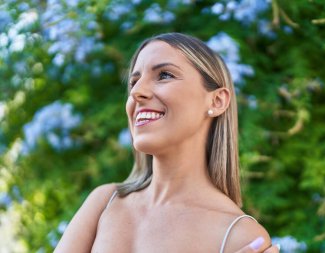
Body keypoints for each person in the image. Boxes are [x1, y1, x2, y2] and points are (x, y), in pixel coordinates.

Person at [54, 33, 280, 253]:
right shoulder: (105, 202)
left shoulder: (239, 236)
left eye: (164, 75)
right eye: (134, 82)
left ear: (217, 100)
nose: (137, 92)